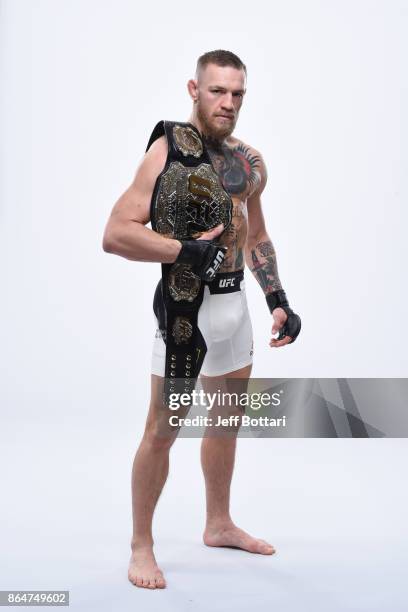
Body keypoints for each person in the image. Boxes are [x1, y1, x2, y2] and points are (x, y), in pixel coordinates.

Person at [102, 49, 301, 590]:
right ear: (194, 89)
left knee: (226, 425)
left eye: (237, 93)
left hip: (236, 310)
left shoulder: (250, 162)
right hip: (187, 312)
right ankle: (142, 546)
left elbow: (255, 235)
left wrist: (277, 297)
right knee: (162, 433)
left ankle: (218, 523)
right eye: (217, 91)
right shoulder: (166, 151)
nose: (228, 102)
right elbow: (116, 232)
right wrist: (185, 251)